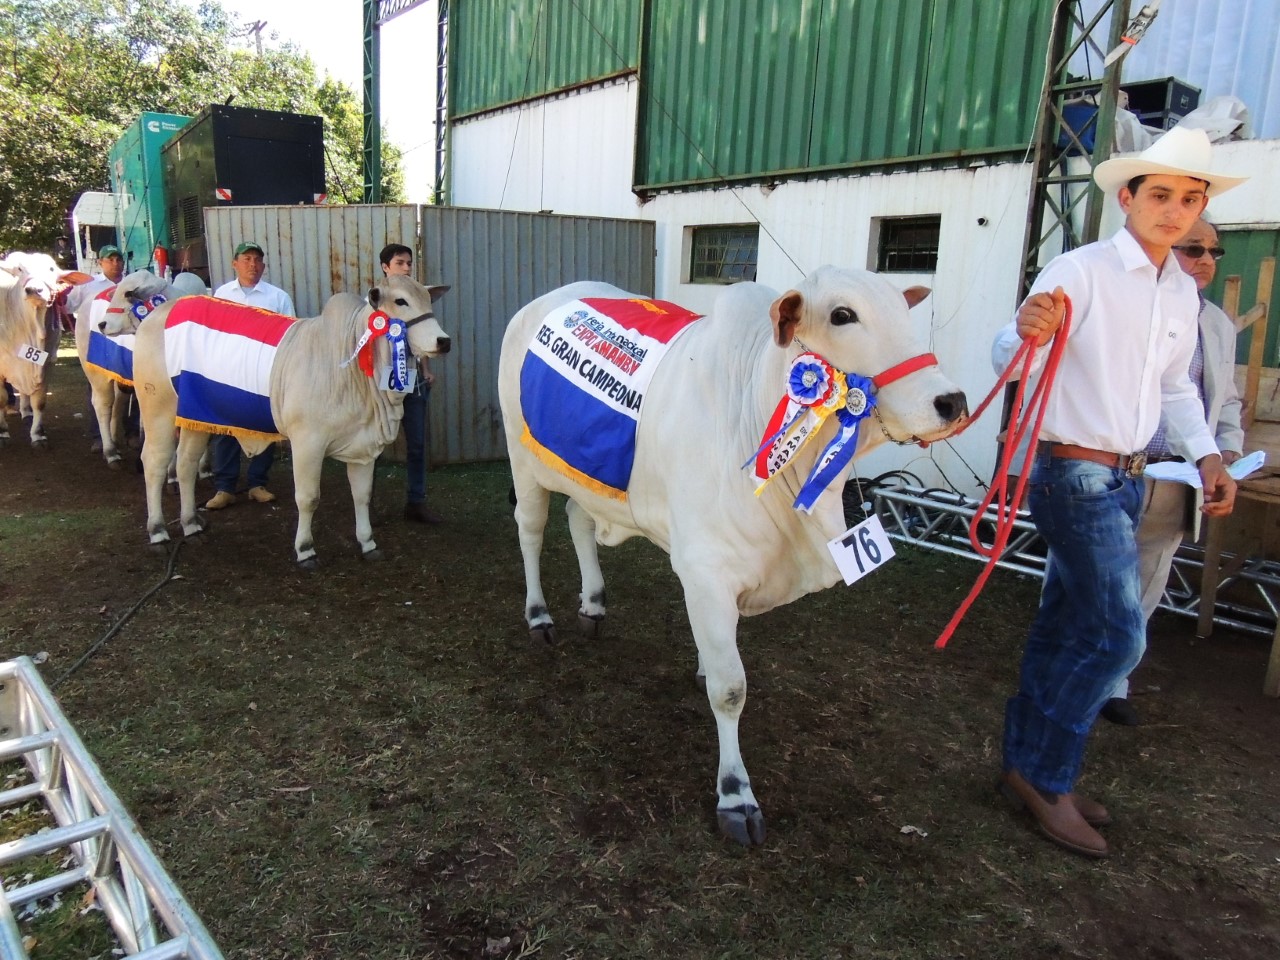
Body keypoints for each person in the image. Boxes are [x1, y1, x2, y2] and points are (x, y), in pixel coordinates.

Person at [990, 126, 1247, 859]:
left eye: (1189, 198)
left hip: (1131, 478)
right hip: (1075, 473)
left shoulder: (1179, 295)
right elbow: (1010, 360)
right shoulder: (1079, 270)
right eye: (1160, 195)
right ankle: (1046, 777)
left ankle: (1022, 765)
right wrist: (1021, 332)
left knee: (1067, 626)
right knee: (1115, 634)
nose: (1175, 210)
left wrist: (1207, 457)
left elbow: (1175, 388)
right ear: (1127, 198)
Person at [1099, 217, 1243, 727]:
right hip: (1112, 472)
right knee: (1084, 579)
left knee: (1146, 583)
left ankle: (1115, 682)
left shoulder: (1220, 326)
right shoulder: (1124, 307)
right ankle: (1066, 675)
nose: (1205, 258)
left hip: (1175, 479)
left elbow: (1225, 401)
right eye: (1193, 248)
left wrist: (1223, 452)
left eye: (1213, 251)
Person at [205, 241, 296, 510]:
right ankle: (224, 487)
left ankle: (257, 483)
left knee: (263, 427)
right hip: (228, 373)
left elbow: (289, 336)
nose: (252, 265)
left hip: (263, 373)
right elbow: (211, 333)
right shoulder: (222, 294)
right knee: (226, 428)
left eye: (257, 260)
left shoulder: (277, 297)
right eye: (246, 259)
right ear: (235, 264)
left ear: (264, 266)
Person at [380, 243, 443, 524]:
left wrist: (427, 370)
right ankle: (366, 502)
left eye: (408, 263)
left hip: (414, 378)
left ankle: (416, 502)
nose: (406, 267)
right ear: (385, 267)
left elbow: (422, 337)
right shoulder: (376, 299)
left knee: (417, 444)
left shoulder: (418, 296)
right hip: (386, 379)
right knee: (376, 442)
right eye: (400, 263)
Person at [65, 245, 135, 448]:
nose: (115, 263)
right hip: (95, 343)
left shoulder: (133, 284)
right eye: (110, 259)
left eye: (118, 259)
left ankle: (131, 431)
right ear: (100, 263)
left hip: (126, 344)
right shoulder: (88, 284)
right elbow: (68, 305)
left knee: (133, 389)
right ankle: (98, 435)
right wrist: (58, 297)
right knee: (97, 387)